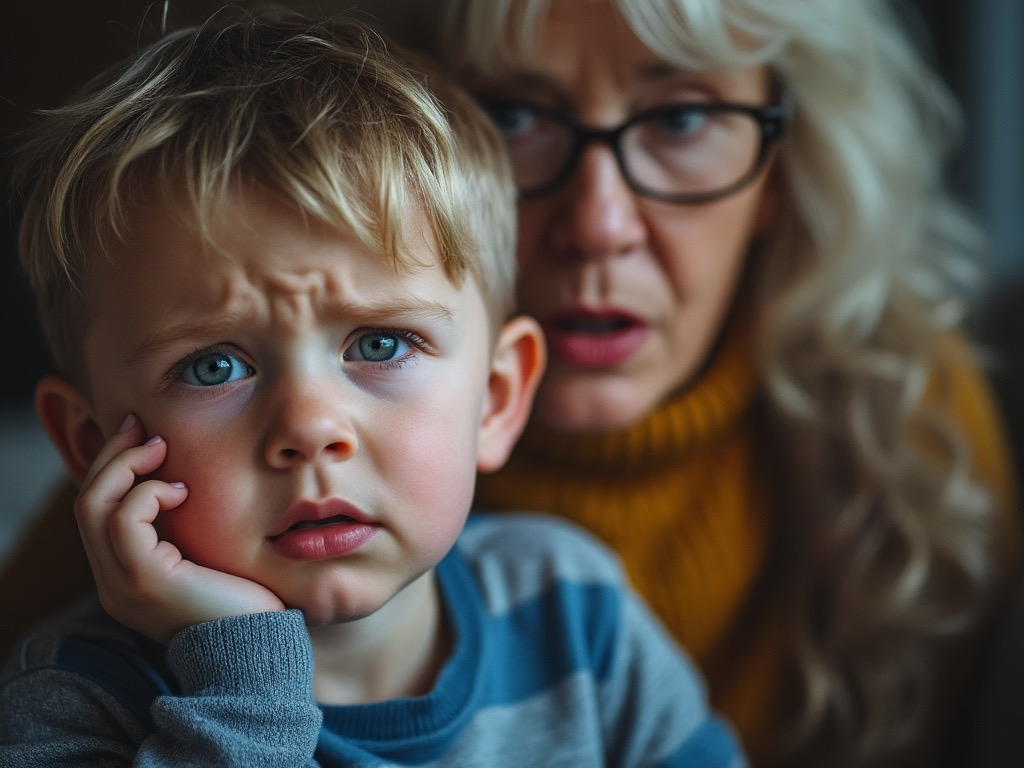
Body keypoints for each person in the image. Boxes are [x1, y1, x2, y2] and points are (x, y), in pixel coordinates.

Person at [0, 10, 746, 767]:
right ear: (94, 445)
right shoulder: (74, 699)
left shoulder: (574, 612)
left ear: (495, 399)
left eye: (381, 344)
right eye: (214, 366)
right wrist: (242, 678)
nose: (311, 427)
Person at [390, 0, 1019, 766]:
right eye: (516, 117)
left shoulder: (912, 427)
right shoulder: (299, 447)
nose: (598, 223)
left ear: (783, 170)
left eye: (682, 121)